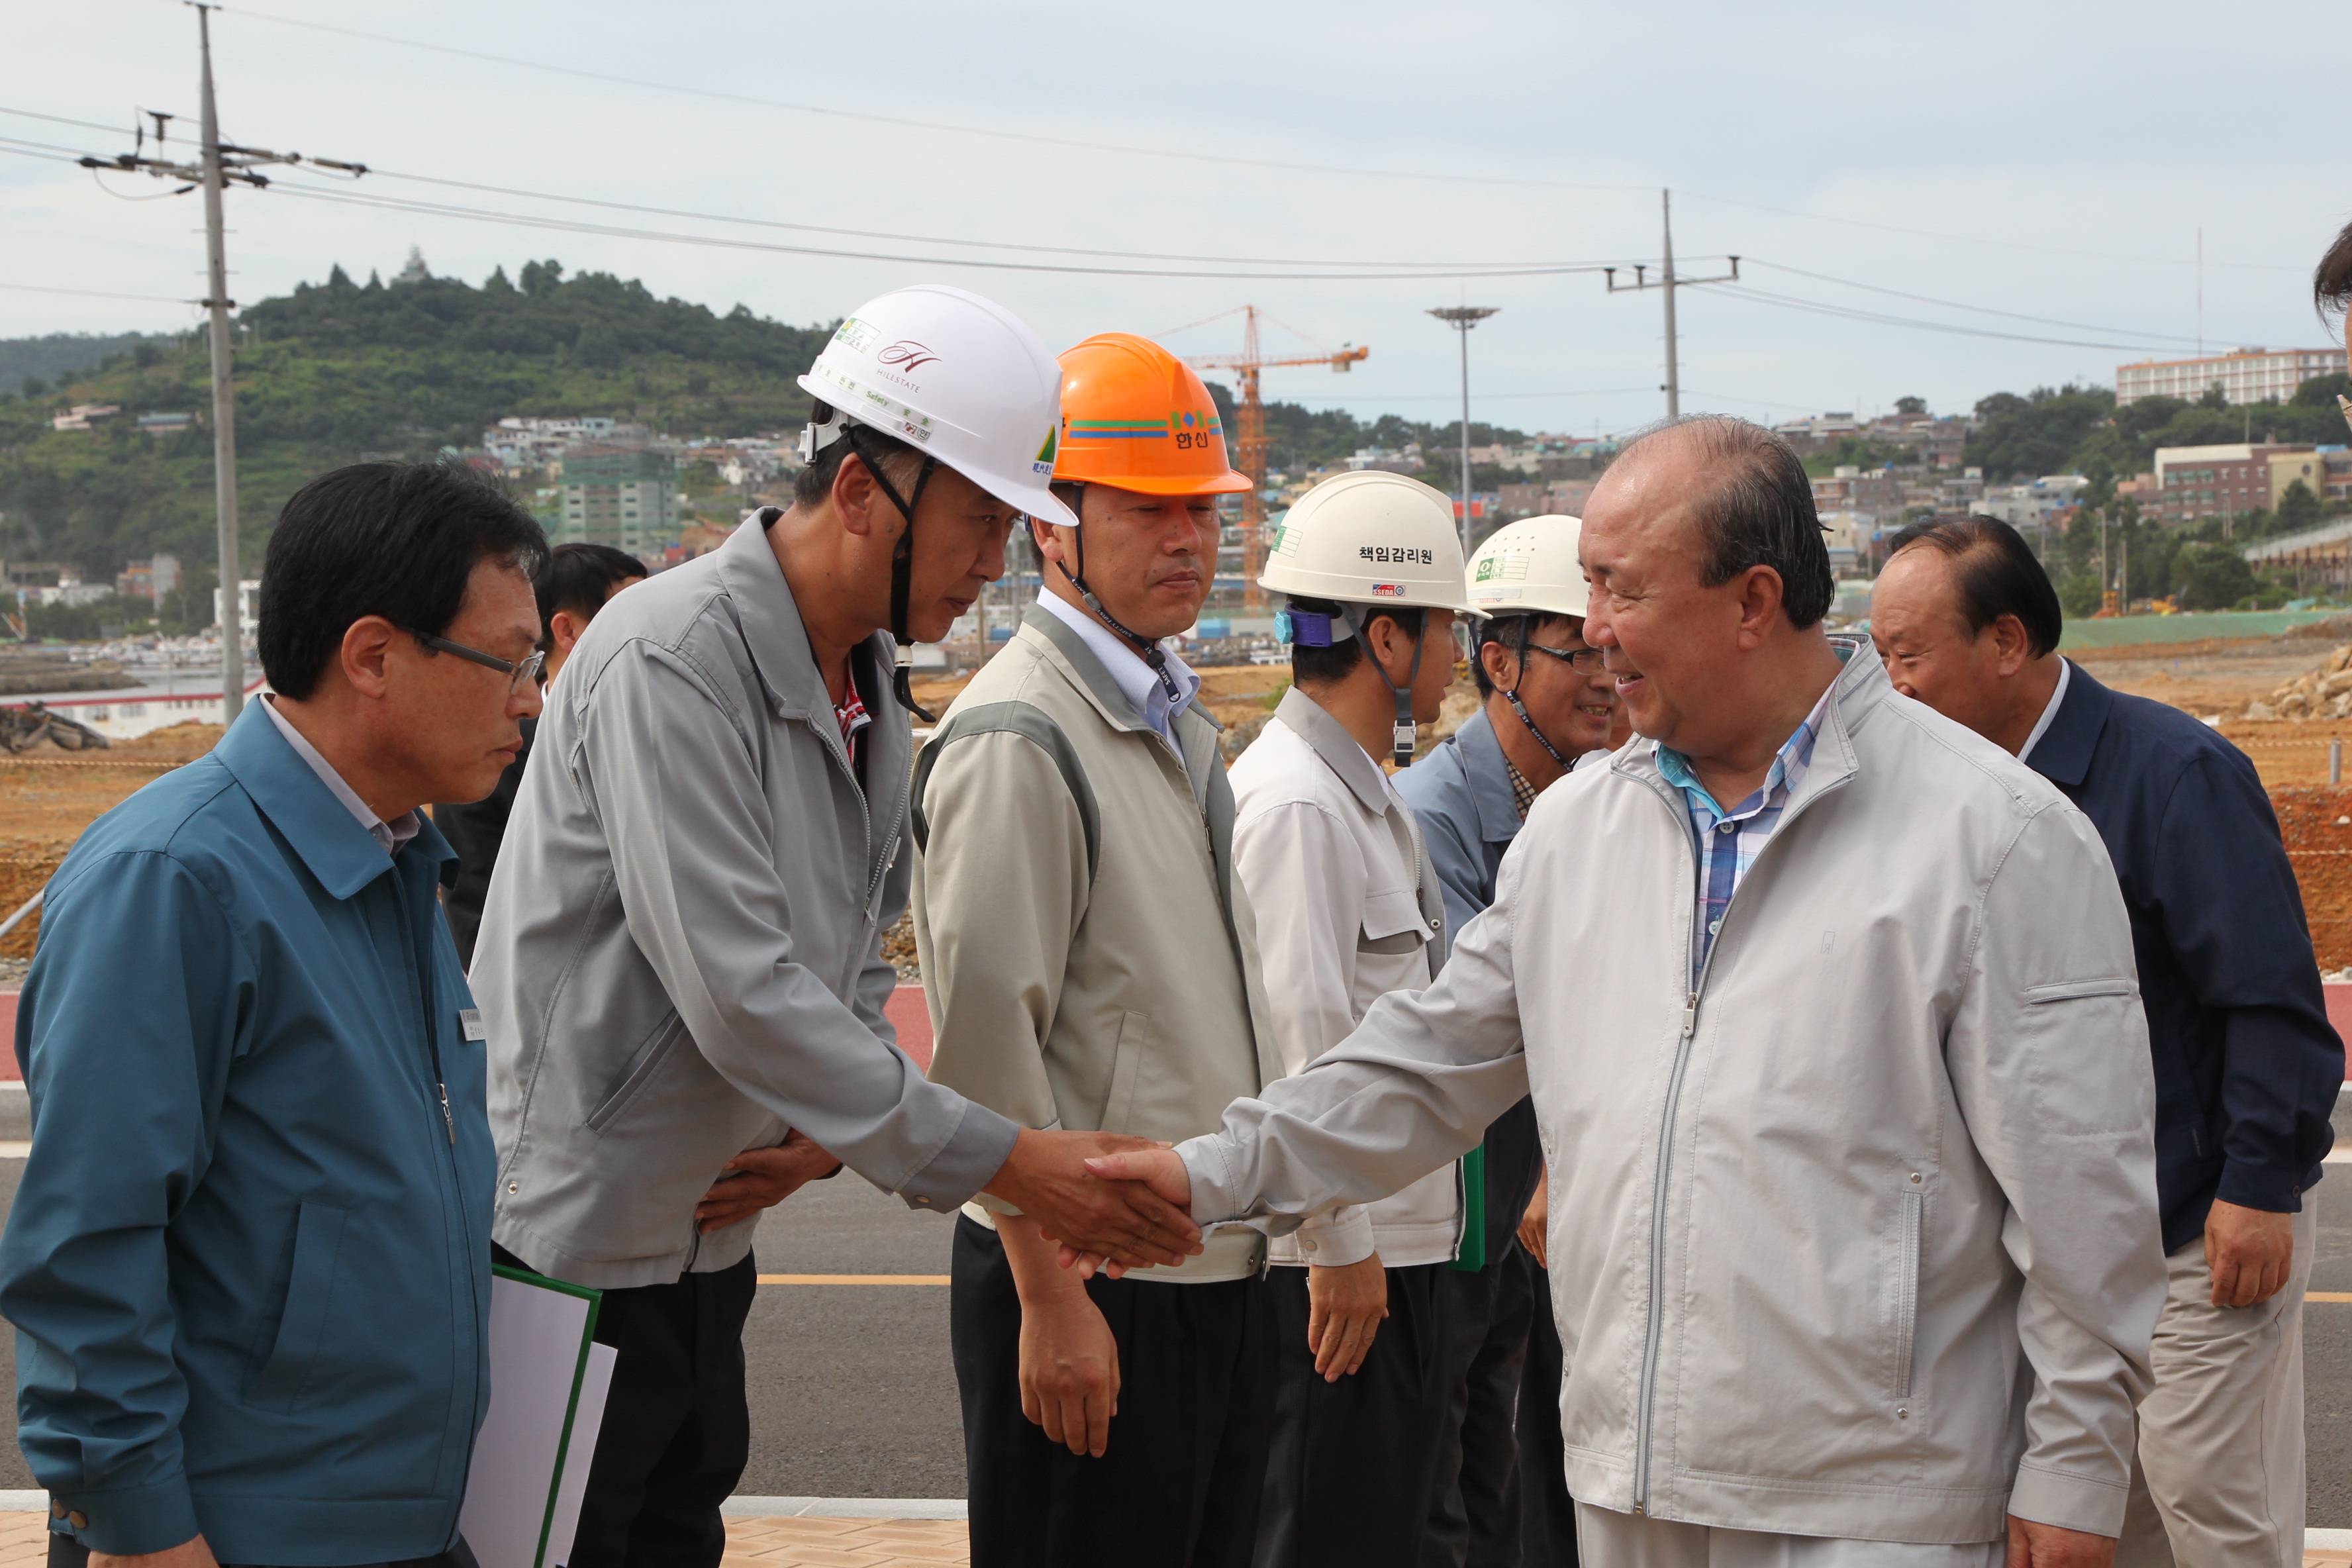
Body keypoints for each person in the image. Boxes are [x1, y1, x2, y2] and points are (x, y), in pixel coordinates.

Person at [1089, 415, 2168, 1568]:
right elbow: (1418, 1065)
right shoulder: (1576, 831)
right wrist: (1200, 1173)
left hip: (1874, 1505)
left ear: (1753, 601)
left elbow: (2082, 1203)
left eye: (1620, 589)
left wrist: (2073, 1464)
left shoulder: (1994, 839)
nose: (1593, 629)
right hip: (1630, 1486)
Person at [471, 287, 1205, 1568]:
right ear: (863, 490)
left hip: (708, 1237)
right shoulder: (672, 657)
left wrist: (818, 1136)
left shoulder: (867, 682)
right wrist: (1005, 1160)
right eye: (981, 520)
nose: (995, 562)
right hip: (572, 1251)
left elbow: (855, 959)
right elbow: (740, 987)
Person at [0, 462, 547, 1566]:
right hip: (236, 1534)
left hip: (404, 1521)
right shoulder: (177, 879)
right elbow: (86, 1245)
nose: (530, 699)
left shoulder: (397, 859)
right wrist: (142, 1527)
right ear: (375, 655)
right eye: (511, 663)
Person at [1870, 515, 2341, 1568]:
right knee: (2081, 1518)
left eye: (1911, 656)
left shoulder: (2174, 775)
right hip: (2050, 1252)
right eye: (1879, 657)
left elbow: (2269, 998)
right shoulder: (1936, 802)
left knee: (2211, 1511)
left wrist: (2261, 1186)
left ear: (2006, 641)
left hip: (2189, 1233)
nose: (1891, 687)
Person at [912, 331, 1281, 1567]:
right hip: (1093, 1280)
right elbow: (979, 1049)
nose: (1188, 542)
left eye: (1203, 514)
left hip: (1200, 1264)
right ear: (1049, 526)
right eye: (1148, 510)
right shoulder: (1022, 732)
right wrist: (1049, 1295)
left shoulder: (1172, 717)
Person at [1225, 469, 1475, 1568]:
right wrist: (1337, 1244)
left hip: (1399, 1248)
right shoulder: (1295, 805)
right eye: (1445, 627)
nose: (1460, 652)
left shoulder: (1361, 793)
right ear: (1386, 636)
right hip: (1343, 1271)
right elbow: (1300, 1042)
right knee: (1322, 1534)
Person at [1392, 513, 1615, 1568]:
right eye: (1577, 649)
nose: (1607, 674)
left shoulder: (1602, 798)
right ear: (1498, 661)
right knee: (1461, 1493)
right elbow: (1476, 1027)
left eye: (1614, 645)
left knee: (1532, 1482)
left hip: (1547, 1204)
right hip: (1468, 1217)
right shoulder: (1433, 818)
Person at [436, 540, 644, 965]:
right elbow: (475, 901)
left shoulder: (660, 732)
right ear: (567, 630)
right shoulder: (490, 749)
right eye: (631, 617)